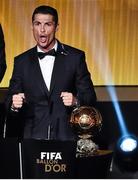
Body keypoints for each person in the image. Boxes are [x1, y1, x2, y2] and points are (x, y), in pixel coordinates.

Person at [5, 5, 97, 140]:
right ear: (32, 26)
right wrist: (13, 104)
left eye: (47, 24)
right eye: (37, 24)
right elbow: (9, 100)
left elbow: (90, 97)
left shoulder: (75, 57)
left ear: (56, 27)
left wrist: (75, 101)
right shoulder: (21, 61)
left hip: (66, 137)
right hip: (33, 139)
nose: (42, 29)